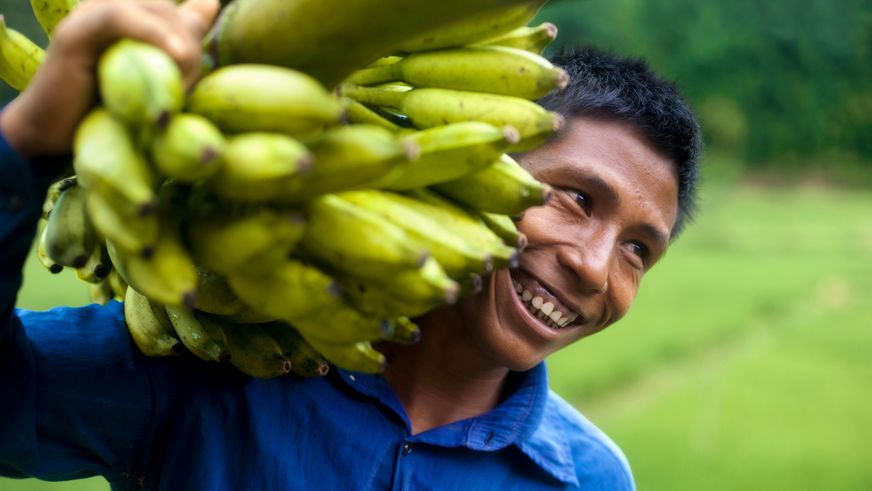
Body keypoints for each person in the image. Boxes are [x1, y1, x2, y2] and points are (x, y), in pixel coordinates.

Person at [0, 0, 702, 489]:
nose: (592, 263)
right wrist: (26, 148)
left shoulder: (589, 478)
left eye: (640, 249)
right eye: (576, 199)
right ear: (473, 159)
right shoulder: (205, 369)